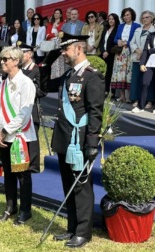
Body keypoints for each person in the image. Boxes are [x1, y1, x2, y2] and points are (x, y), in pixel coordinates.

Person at [40, 33, 105, 248]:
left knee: (81, 187)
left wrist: (92, 142)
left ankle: (83, 232)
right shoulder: (68, 75)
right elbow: (45, 84)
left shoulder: (91, 76)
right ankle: (71, 228)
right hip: (64, 138)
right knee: (68, 184)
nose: (63, 53)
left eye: (66, 49)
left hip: (79, 141)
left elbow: (95, 112)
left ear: (78, 49)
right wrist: (48, 60)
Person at [0, 47, 36, 225]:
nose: (2, 62)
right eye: (2, 59)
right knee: (8, 173)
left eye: (6, 59)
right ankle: (10, 206)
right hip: (3, 137)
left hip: (21, 137)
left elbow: (24, 115)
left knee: (23, 176)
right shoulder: (2, 84)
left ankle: (26, 210)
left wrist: (4, 130)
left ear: (16, 61)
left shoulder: (26, 83)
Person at [19, 42, 44, 175]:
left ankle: (34, 166)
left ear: (30, 55)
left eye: (23, 53)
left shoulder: (36, 69)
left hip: (32, 107)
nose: (20, 56)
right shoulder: (20, 70)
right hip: (20, 108)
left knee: (32, 139)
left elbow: (40, 90)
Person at [111, 7, 141, 102]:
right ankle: (122, 96)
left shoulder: (137, 26)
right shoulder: (120, 26)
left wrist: (127, 43)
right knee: (119, 74)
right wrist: (118, 41)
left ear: (132, 15)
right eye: (124, 15)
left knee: (129, 74)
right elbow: (115, 39)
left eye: (128, 15)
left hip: (130, 52)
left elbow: (137, 39)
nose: (126, 17)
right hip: (120, 53)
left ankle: (129, 96)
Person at [130, 11, 155, 111]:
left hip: (149, 59)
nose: (145, 19)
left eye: (147, 17)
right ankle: (137, 100)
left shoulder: (153, 31)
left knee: (150, 82)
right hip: (138, 57)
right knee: (137, 80)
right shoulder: (138, 29)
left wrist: (149, 50)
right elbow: (132, 42)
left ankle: (149, 100)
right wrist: (138, 51)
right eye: (143, 17)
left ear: (152, 18)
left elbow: (150, 48)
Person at [99, 13, 120, 94]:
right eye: (109, 19)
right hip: (103, 54)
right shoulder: (105, 29)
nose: (111, 21)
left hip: (111, 54)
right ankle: (105, 90)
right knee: (103, 73)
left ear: (116, 20)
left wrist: (108, 51)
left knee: (111, 73)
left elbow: (115, 43)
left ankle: (111, 92)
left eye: (112, 19)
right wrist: (103, 51)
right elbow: (101, 42)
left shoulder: (118, 29)